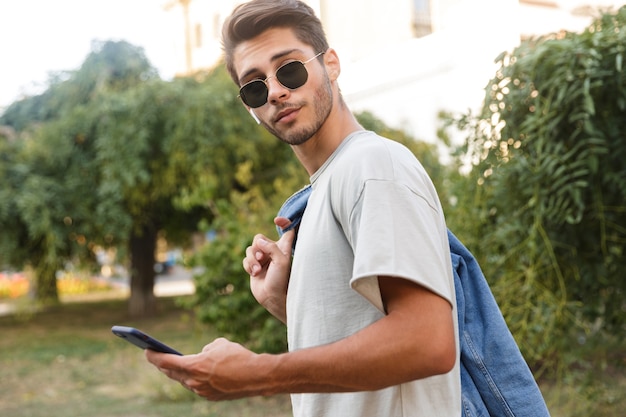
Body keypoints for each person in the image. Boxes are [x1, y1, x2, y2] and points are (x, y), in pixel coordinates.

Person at [146, 0, 461, 415]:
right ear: (250, 108)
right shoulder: (327, 187)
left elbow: (429, 342)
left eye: (289, 69)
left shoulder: (372, 166)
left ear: (330, 64)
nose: (275, 91)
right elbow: (363, 341)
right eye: (255, 86)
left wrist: (258, 373)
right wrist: (287, 302)